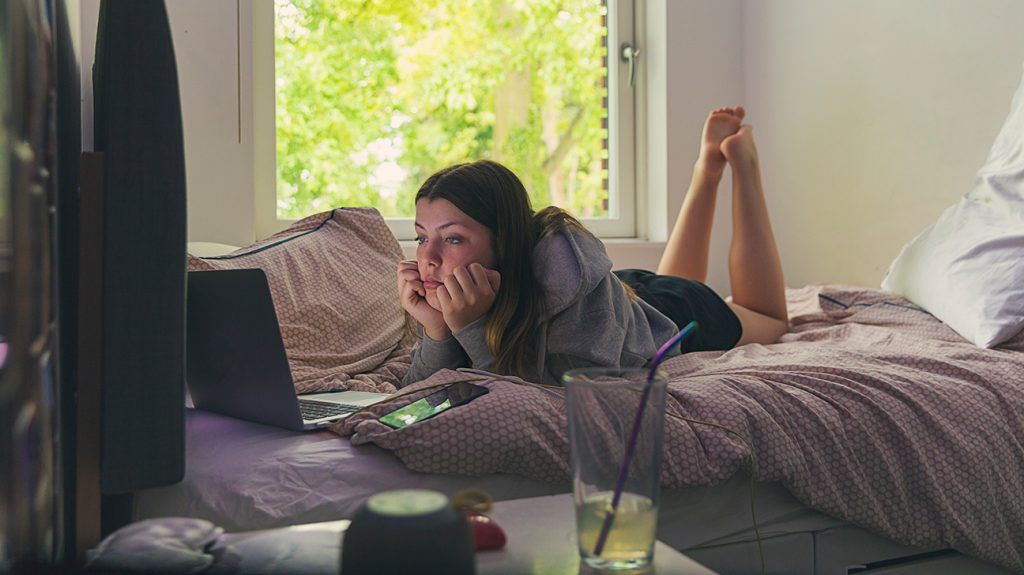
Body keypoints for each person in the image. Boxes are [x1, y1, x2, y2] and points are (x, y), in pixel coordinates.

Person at [397, 107, 787, 386]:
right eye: (421, 237)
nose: (428, 259)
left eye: (452, 238)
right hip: (622, 297)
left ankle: (744, 166)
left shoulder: (566, 276)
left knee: (769, 318)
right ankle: (707, 168)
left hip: (675, 309)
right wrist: (437, 330)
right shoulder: (479, 286)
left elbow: (547, 396)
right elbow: (416, 390)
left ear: (505, 241)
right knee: (670, 279)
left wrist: (472, 327)